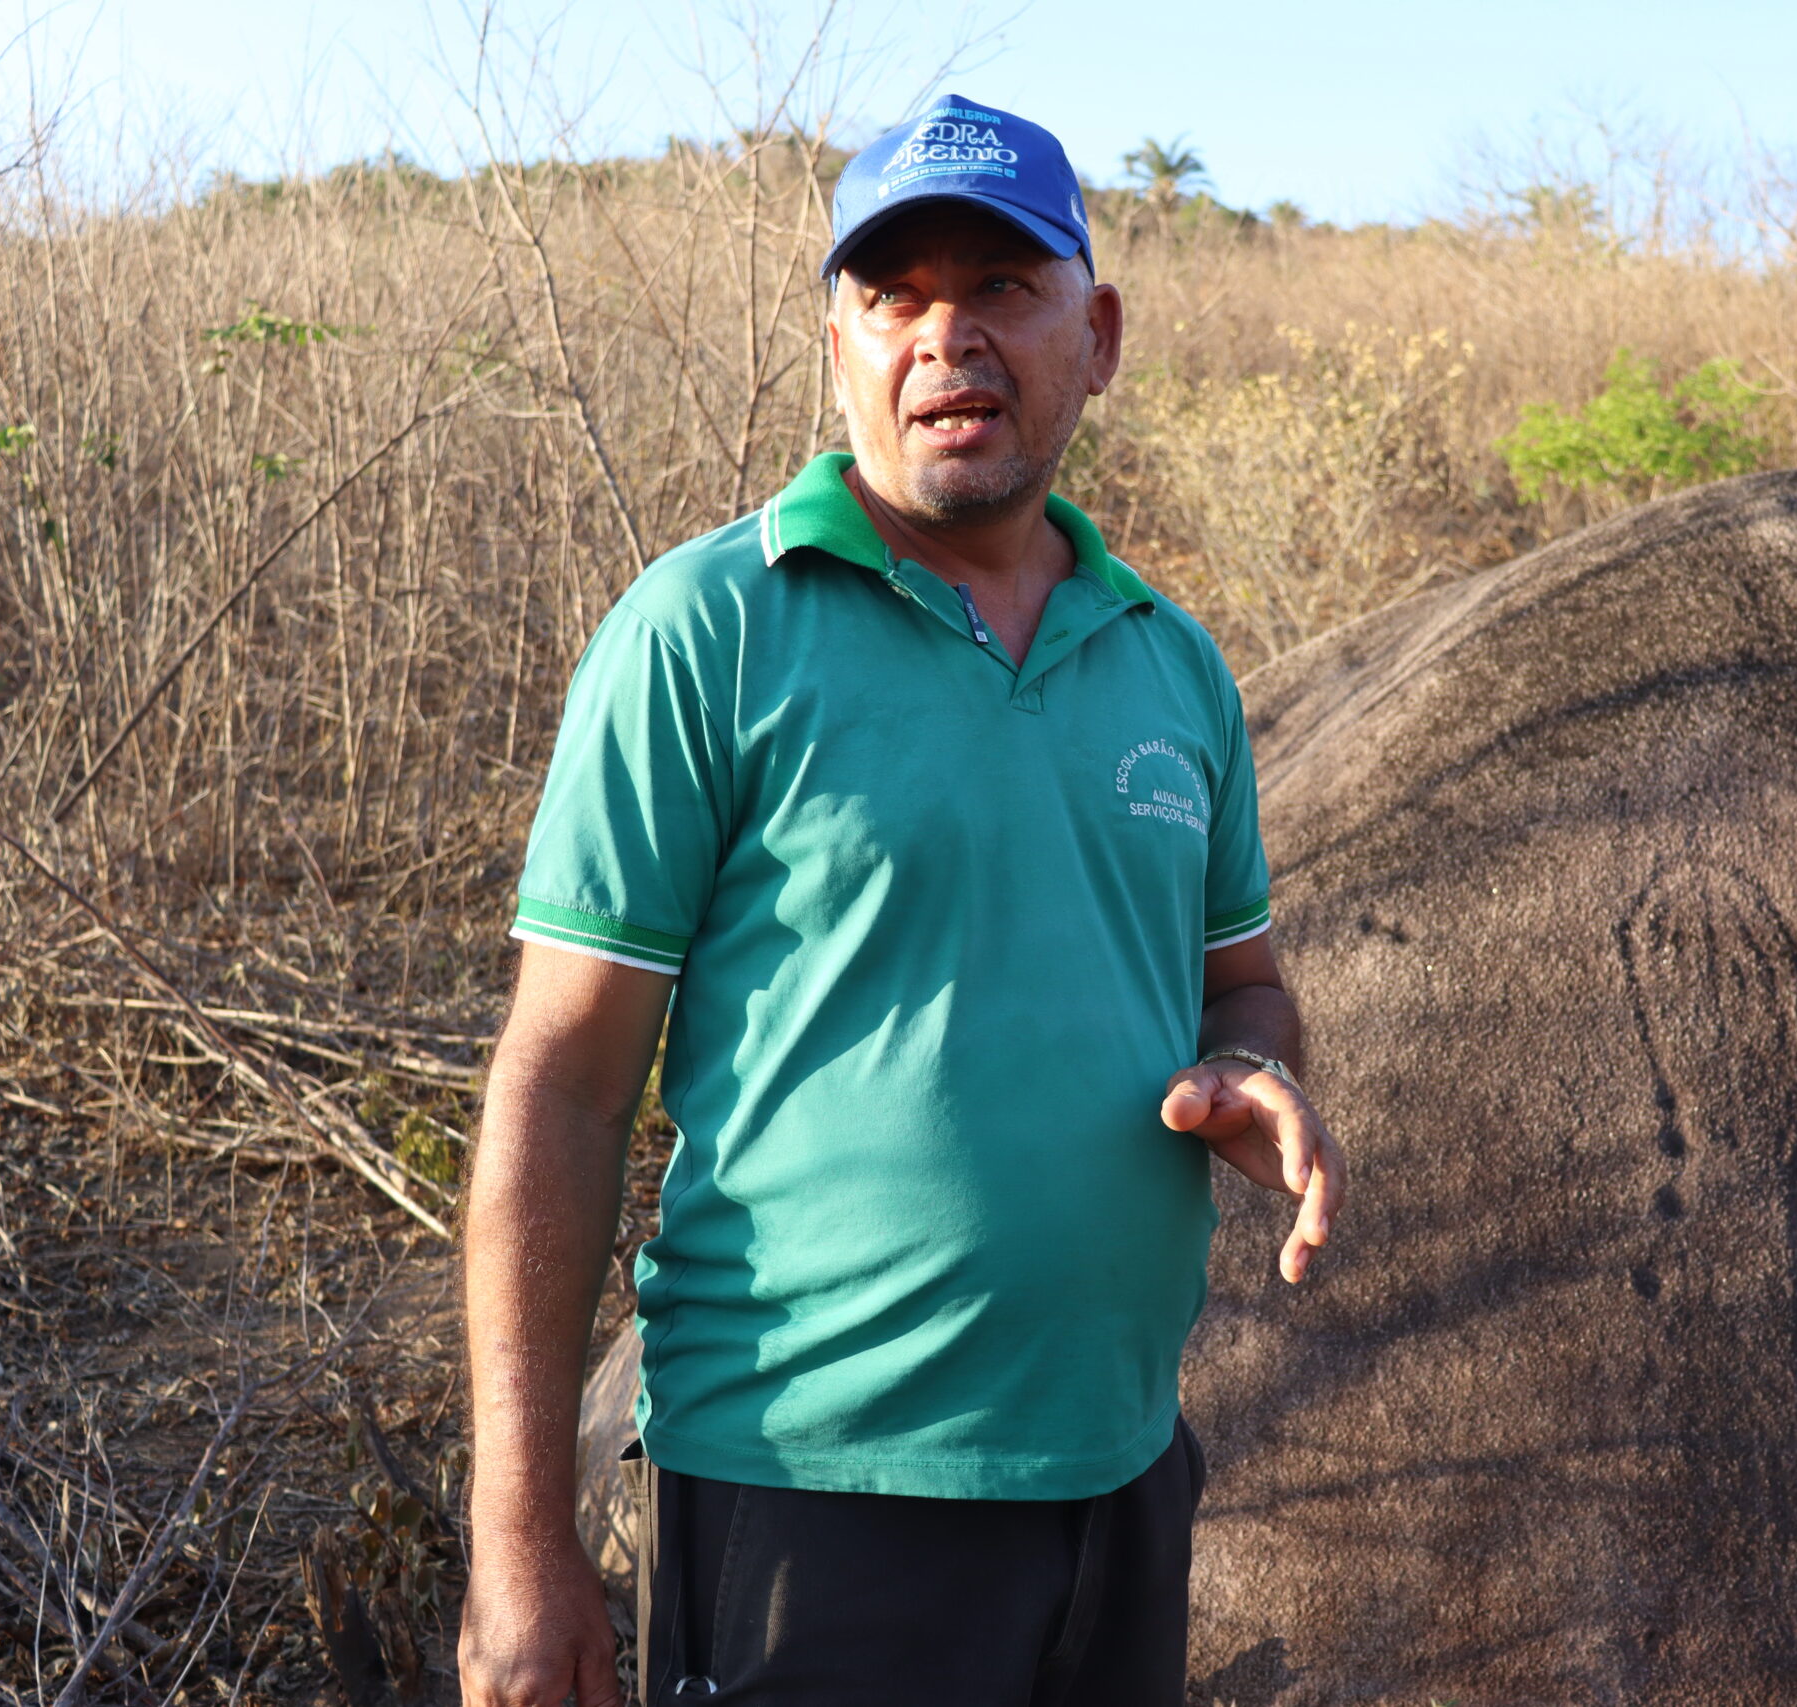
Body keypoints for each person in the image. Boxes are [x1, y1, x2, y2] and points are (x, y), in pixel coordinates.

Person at [458, 93, 1344, 1707]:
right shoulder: (705, 633)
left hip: (1124, 1468)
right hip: (813, 1490)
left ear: (1102, 330)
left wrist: (1256, 1067)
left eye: (1003, 288)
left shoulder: (1171, 663)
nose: (949, 338)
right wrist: (519, 1541)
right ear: (843, 344)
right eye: (895, 297)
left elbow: (1246, 983)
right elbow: (561, 1088)